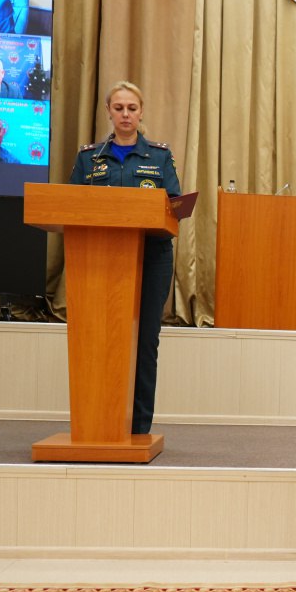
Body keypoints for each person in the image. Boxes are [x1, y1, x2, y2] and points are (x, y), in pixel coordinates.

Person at [69, 81, 180, 435]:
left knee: (145, 341)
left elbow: (174, 207)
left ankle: (138, 428)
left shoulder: (159, 156)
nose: (126, 114)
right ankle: (99, 420)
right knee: (99, 339)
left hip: (151, 259)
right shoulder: (89, 158)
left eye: (132, 108)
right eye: (119, 108)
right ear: (108, 112)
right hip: (99, 261)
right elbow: (70, 206)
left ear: (141, 111)